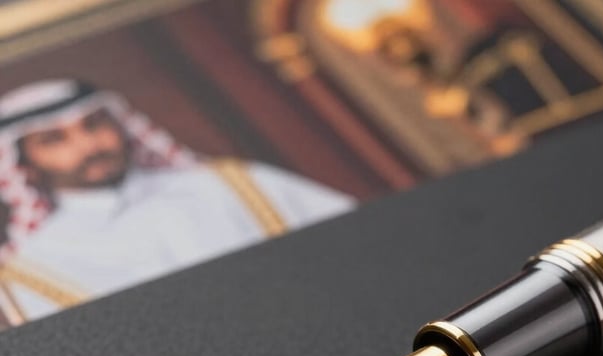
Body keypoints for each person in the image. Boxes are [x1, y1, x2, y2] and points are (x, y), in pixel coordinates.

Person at [0, 79, 355, 325]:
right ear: (24, 167)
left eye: (94, 124)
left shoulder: (235, 184)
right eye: (53, 140)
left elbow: (362, 242)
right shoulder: (32, 269)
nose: (89, 145)